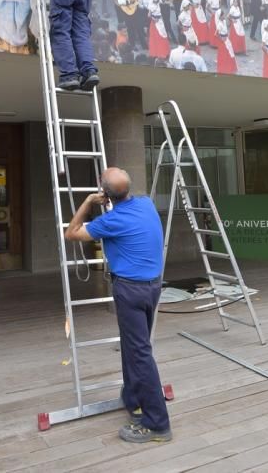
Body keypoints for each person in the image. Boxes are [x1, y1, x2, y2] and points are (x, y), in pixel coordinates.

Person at [64, 167, 171, 444]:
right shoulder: (146, 204)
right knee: (134, 346)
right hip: (153, 287)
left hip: (130, 291)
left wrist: (88, 202)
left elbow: (71, 233)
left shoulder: (111, 222)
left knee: (140, 354)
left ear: (104, 192)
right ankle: (134, 400)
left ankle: (157, 424)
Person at [216, 10, 237, 75]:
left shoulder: (224, 22)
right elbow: (216, 34)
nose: (223, 16)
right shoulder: (219, 24)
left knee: (230, 52)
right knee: (224, 54)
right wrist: (221, 39)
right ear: (219, 17)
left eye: (223, 15)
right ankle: (225, 68)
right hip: (223, 40)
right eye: (222, 15)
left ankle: (230, 67)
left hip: (227, 39)